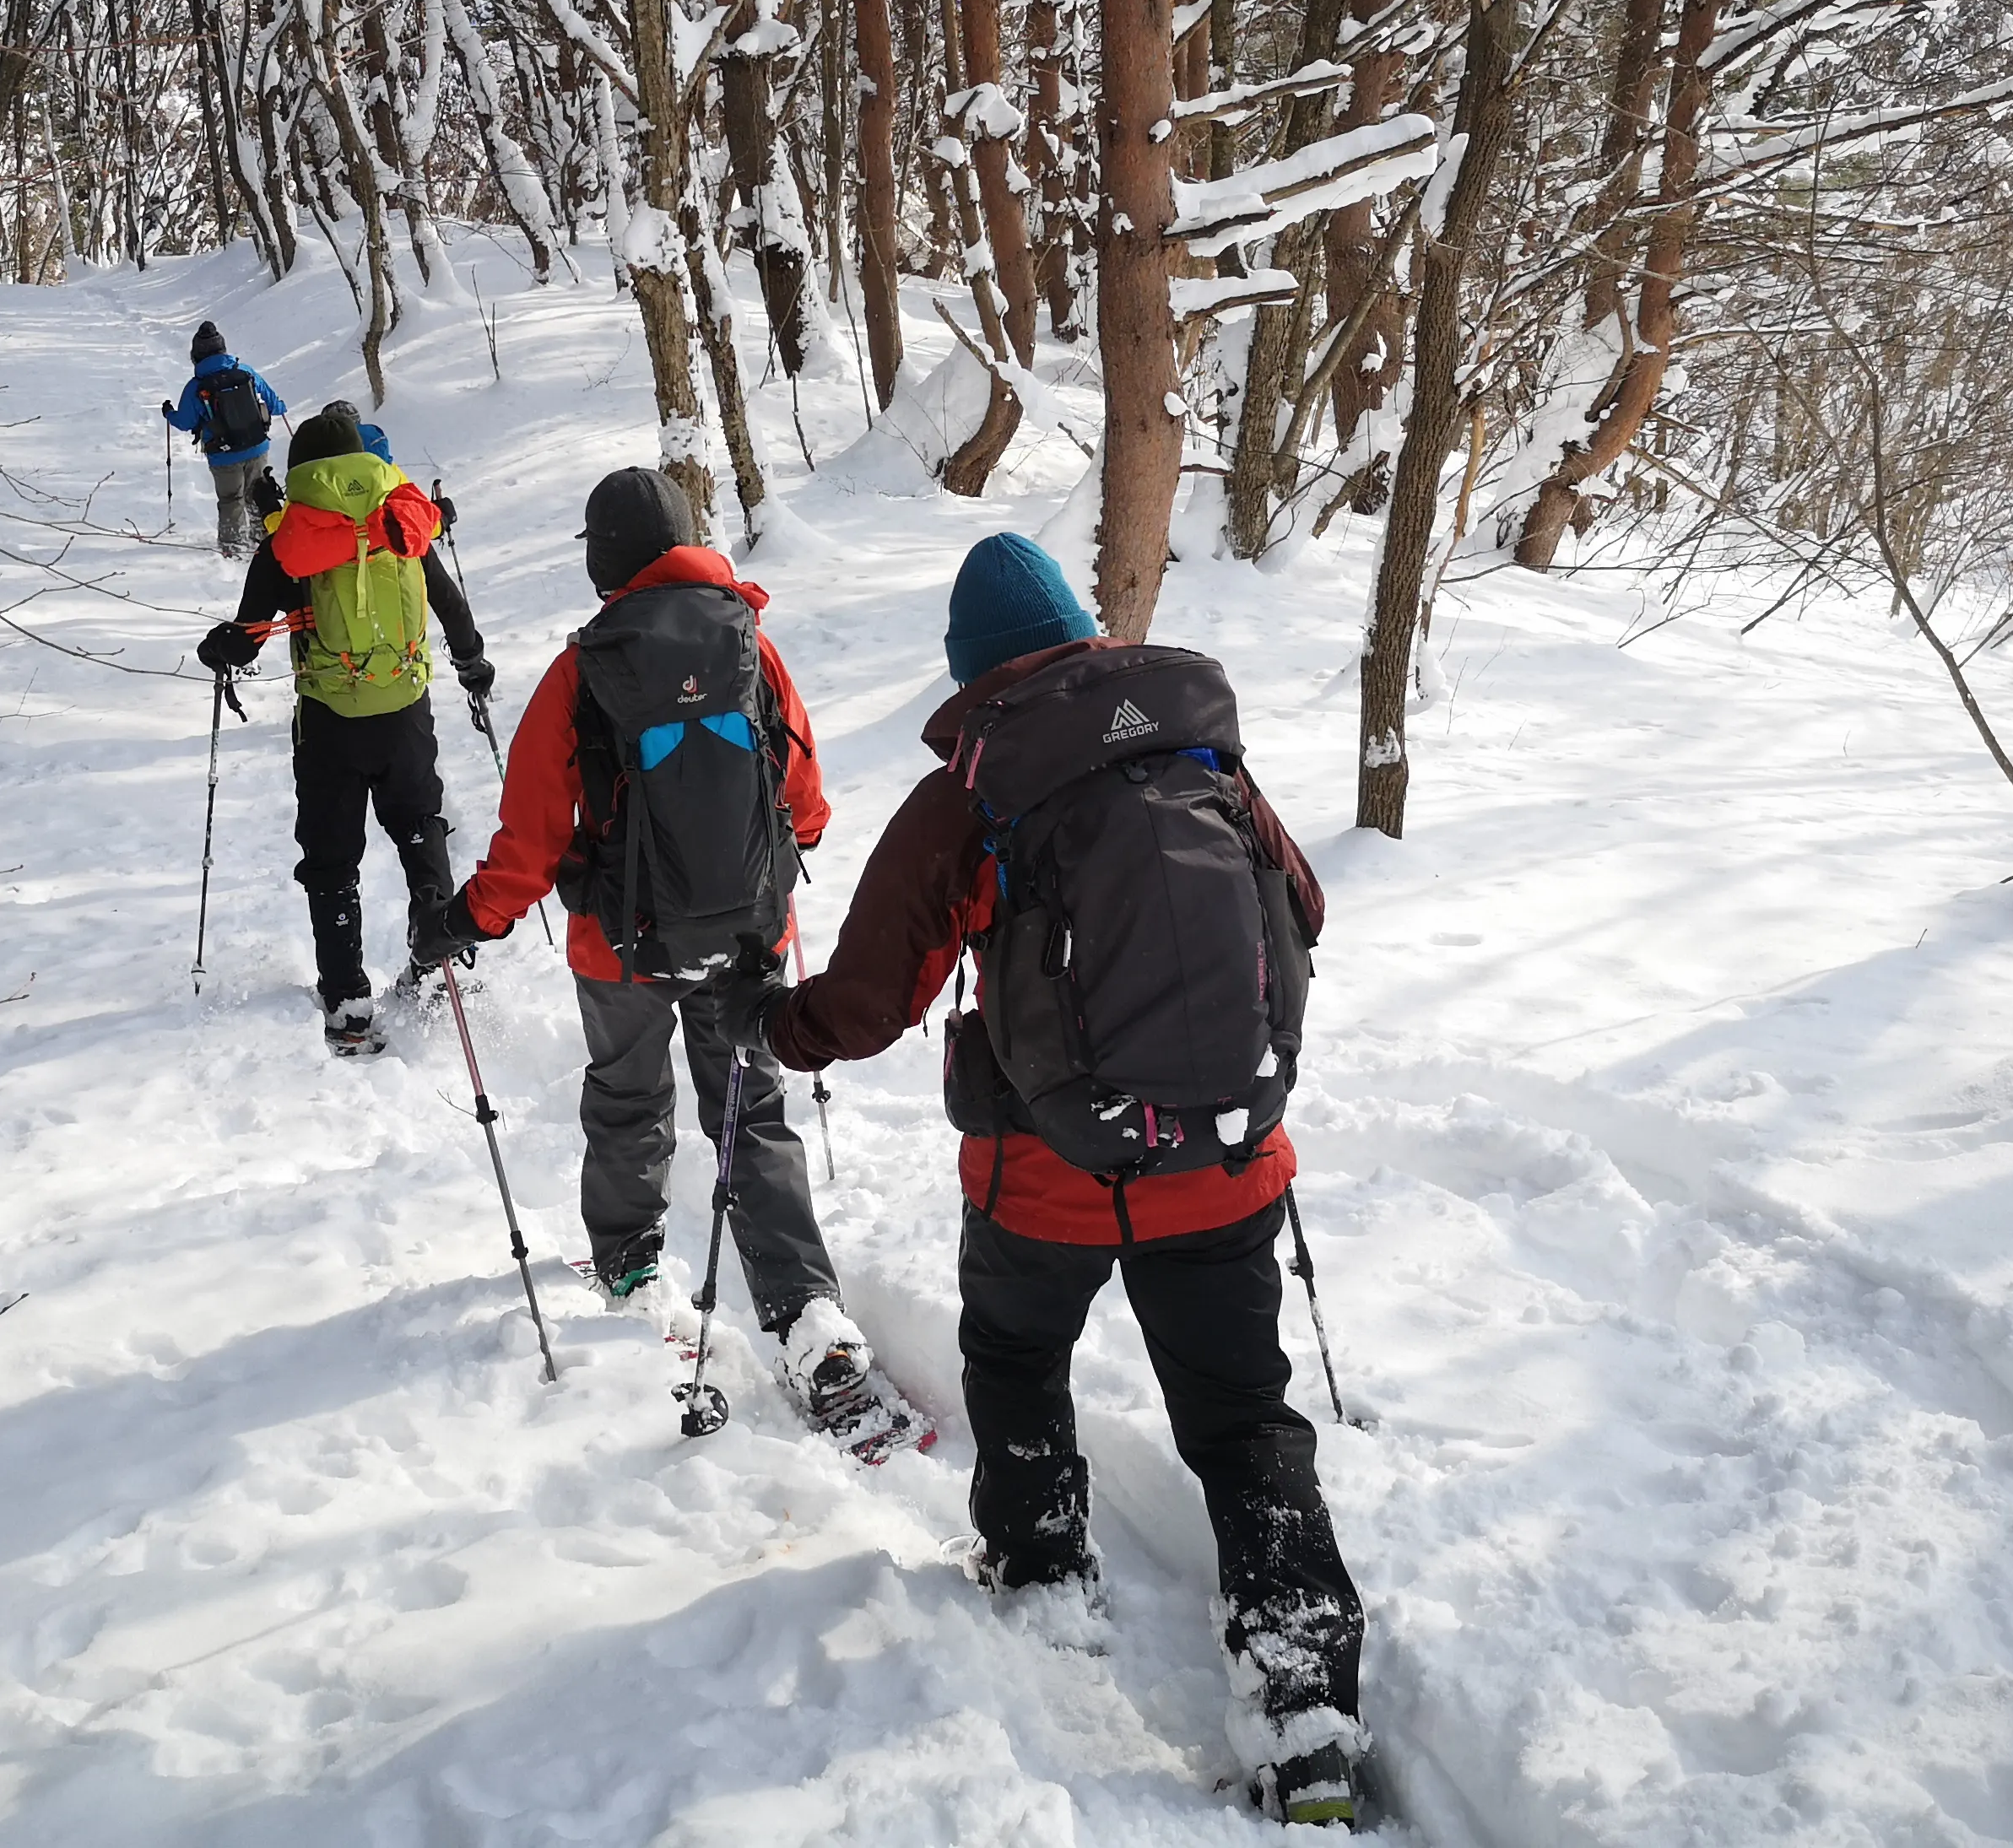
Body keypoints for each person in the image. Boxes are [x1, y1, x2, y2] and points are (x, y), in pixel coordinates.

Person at [765, 532, 1366, 1829]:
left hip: (1045, 1171)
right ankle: (1308, 1714)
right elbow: (1303, 907)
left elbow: (869, 1002)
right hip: (1225, 1158)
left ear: (970, 672)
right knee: (1246, 1420)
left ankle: (1042, 1576)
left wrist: (784, 1027)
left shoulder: (973, 793)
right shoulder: (1201, 752)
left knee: (1020, 1358)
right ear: (1083, 637)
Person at [416, 468, 896, 1439]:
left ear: (604, 560)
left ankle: (632, 1272)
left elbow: (532, 838)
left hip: (620, 948)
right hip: (748, 942)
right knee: (751, 1116)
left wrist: (467, 918)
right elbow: (803, 799)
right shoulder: (748, 644)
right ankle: (809, 1318)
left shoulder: (579, 672)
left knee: (628, 1099)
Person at [195, 403, 494, 1051]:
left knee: (332, 859)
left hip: (330, 724)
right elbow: (448, 604)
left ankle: (347, 1001)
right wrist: (473, 663)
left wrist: (219, 649)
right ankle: (435, 964)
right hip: (406, 712)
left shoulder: (290, 543)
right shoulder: (401, 521)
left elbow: (245, 638)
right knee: (420, 831)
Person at [163, 322, 288, 558]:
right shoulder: (246, 373)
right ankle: (263, 539)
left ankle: (233, 547)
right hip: (257, 446)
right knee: (259, 494)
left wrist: (168, 413)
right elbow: (273, 403)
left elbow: (186, 422)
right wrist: (281, 406)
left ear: (196, 355)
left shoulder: (196, 386)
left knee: (231, 499)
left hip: (223, 453)